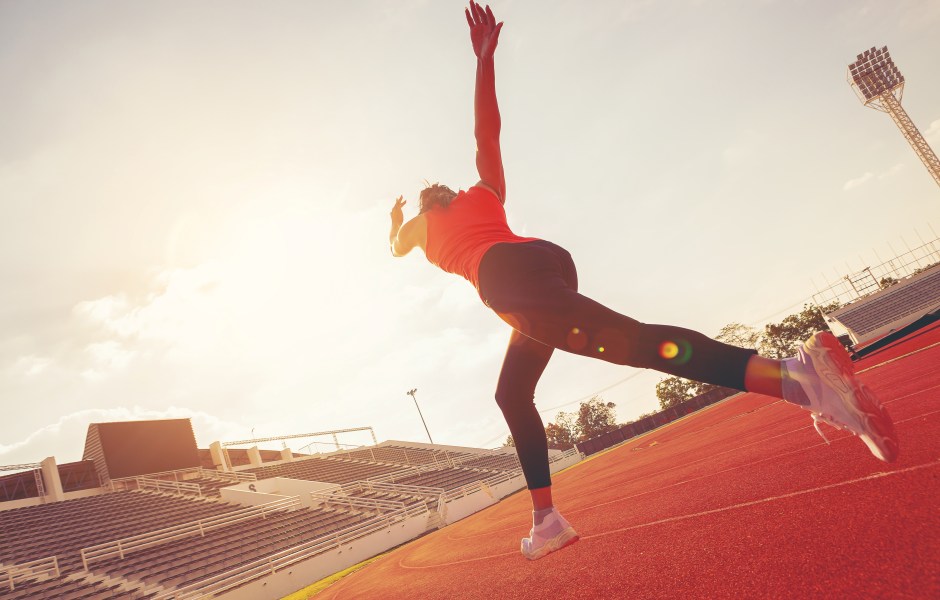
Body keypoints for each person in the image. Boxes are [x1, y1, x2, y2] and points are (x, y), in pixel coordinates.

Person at [388, 1, 898, 561]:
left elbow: (396, 247)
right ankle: (547, 519)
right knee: (512, 392)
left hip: (507, 282)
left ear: (424, 205)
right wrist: (484, 60)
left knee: (639, 345)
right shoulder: (485, 193)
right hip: (543, 260)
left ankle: (797, 380)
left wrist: (395, 225)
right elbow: (487, 132)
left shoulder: (420, 224)